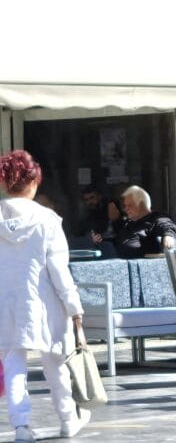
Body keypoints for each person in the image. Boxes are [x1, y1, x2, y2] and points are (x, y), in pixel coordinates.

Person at [0, 150, 90, 441]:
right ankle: (68, 418)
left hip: (6, 302)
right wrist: (74, 308)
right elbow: (59, 271)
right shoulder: (47, 219)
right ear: (33, 182)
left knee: (14, 364)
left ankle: (21, 427)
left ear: (5, 183)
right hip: (45, 301)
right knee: (55, 363)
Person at [93, 185, 176, 258]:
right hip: (120, 263)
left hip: (143, 266)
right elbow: (119, 239)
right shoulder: (130, 222)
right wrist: (102, 239)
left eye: (129, 205)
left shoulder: (155, 217)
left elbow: (166, 225)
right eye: (125, 206)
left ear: (141, 204)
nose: (126, 209)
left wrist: (168, 236)